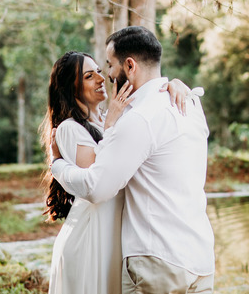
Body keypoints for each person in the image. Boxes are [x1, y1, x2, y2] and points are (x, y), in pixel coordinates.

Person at [51, 26, 215, 294]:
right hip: (200, 257)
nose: (107, 76)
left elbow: (96, 187)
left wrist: (56, 164)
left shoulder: (139, 118)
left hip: (158, 260)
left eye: (109, 66)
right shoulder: (191, 105)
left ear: (130, 65)